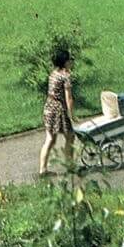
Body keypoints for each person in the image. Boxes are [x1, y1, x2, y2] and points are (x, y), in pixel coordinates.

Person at [39, 48, 75, 177]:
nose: (71, 62)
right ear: (65, 62)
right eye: (69, 59)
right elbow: (68, 98)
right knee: (70, 136)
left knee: (50, 139)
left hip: (49, 107)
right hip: (59, 110)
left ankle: (42, 169)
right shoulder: (66, 77)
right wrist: (72, 115)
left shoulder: (53, 74)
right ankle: (70, 165)